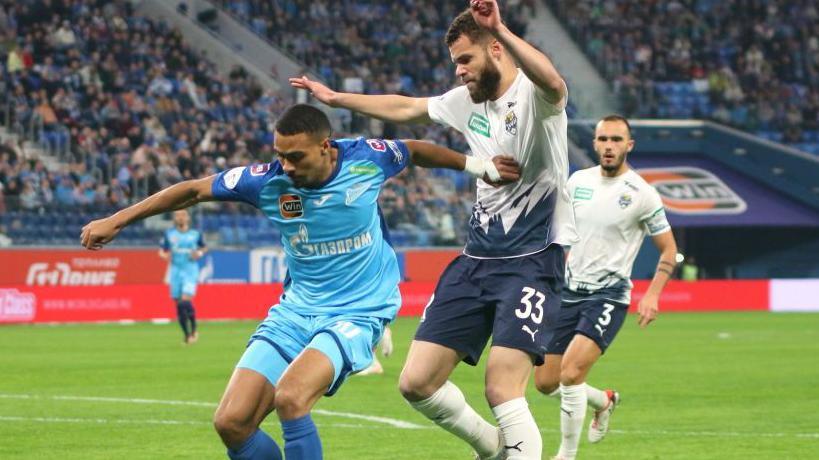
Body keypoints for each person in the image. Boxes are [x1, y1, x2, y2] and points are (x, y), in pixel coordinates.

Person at [80, 104, 520, 460]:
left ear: (326, 147)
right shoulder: (266, 182)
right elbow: (193, 190)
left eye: (296, 156)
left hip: (358, 311)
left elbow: (417, 149)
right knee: (231, 423)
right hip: (295, 311)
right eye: (279, 155)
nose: (285, 165)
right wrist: (118, 220)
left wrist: (479, 166)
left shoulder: (367, 158)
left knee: (292, 398)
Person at [291, 1, 571, 458]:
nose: (459, 72)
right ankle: (491, 447)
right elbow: (405, 106)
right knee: (416, 382)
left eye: (466, 60)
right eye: (455, 63)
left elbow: (556, 82)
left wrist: (499, 24)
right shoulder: (466, 102)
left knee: (502, 388)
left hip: (533, 260)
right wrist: (337, 99)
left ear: (496, 50)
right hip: (477, 259)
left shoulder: (535, 98)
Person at [533, 115, 678, 460]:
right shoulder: (577, 181)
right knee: (545, 383)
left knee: (570, 374)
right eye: (603, 139)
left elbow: (669, 249)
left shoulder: (642, 193)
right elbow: (557, 231)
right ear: (594, 143)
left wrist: (653, 295)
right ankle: (604, 400)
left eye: (616, 140)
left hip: (608, 296)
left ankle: (565, 456)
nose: (609, 146)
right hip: (569, 291)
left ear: (629, 145)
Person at [159, 209, 206, 344]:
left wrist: (199, 254)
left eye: (183, 215)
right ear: (174, 218)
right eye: (177, 215)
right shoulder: (169, 234)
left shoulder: (195, 234)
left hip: (190, 270)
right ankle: (187, 335)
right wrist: (164, 255)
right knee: (179, 305)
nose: (180, 217)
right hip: (175, 271)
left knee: (185, 300)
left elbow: (203, 247)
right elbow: (162, 251)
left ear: (188, 218)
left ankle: (194, 330)